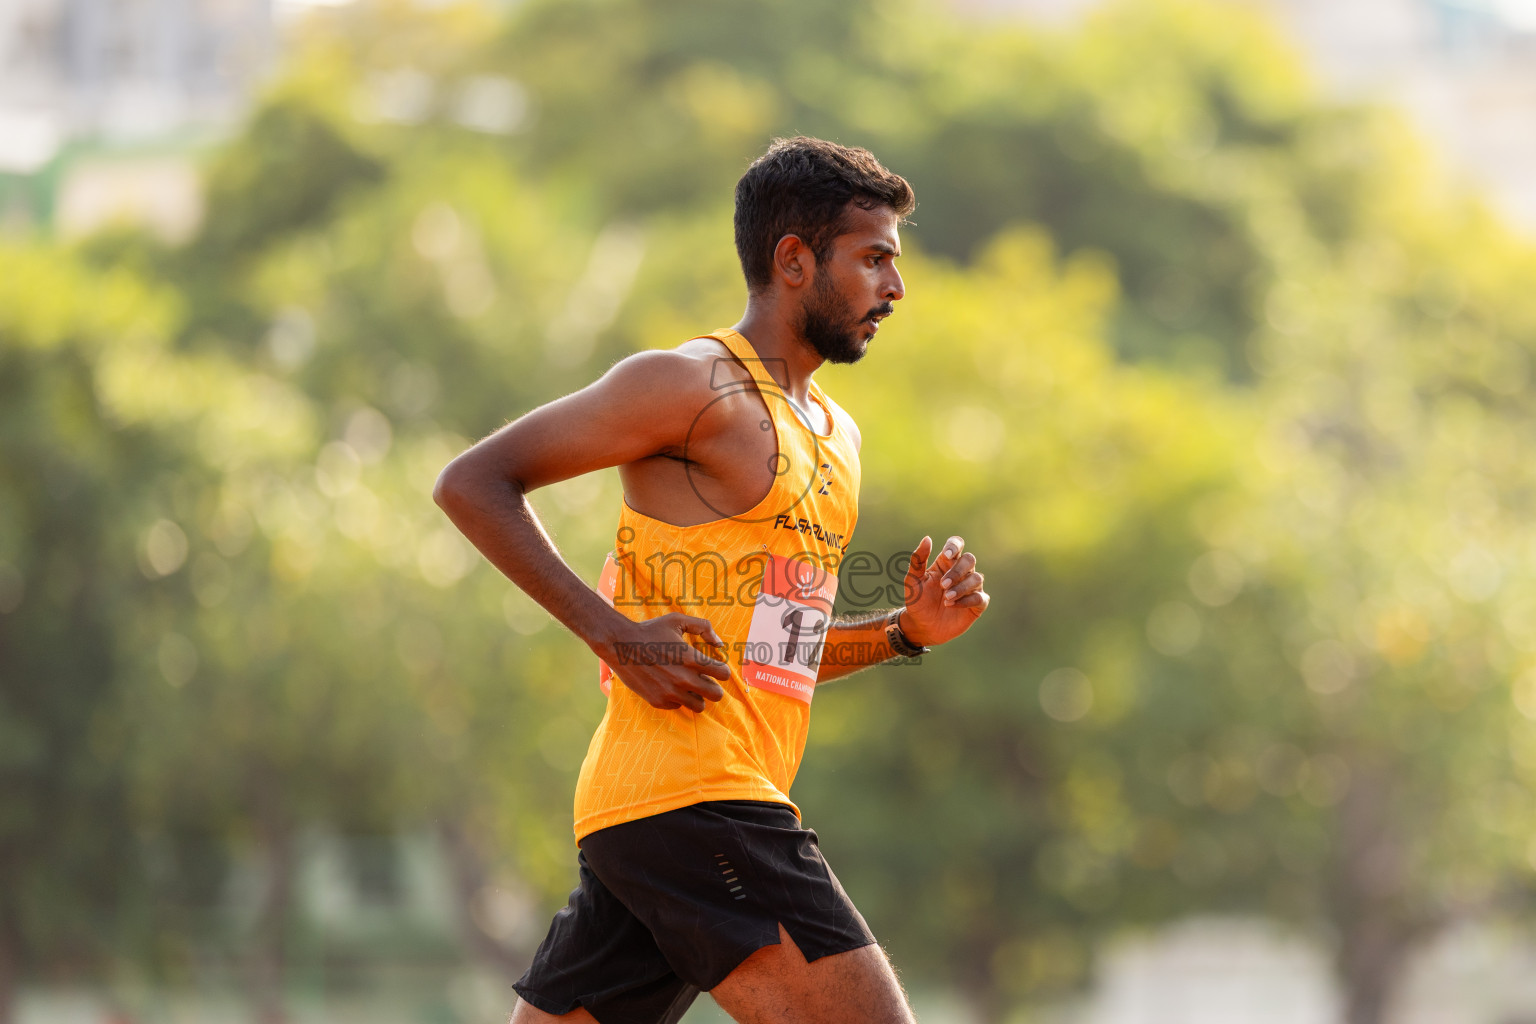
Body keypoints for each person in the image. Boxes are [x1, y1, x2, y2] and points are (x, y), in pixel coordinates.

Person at [434, 136, 990, 1024]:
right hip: (700, 800)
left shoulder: (836, 436)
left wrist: (902, 633)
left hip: (653, 817)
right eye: (874, 258)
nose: (896, 286)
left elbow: (773, 650)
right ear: (795, 260)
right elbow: (473, 483)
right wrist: (611, 629)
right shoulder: (688, 385)